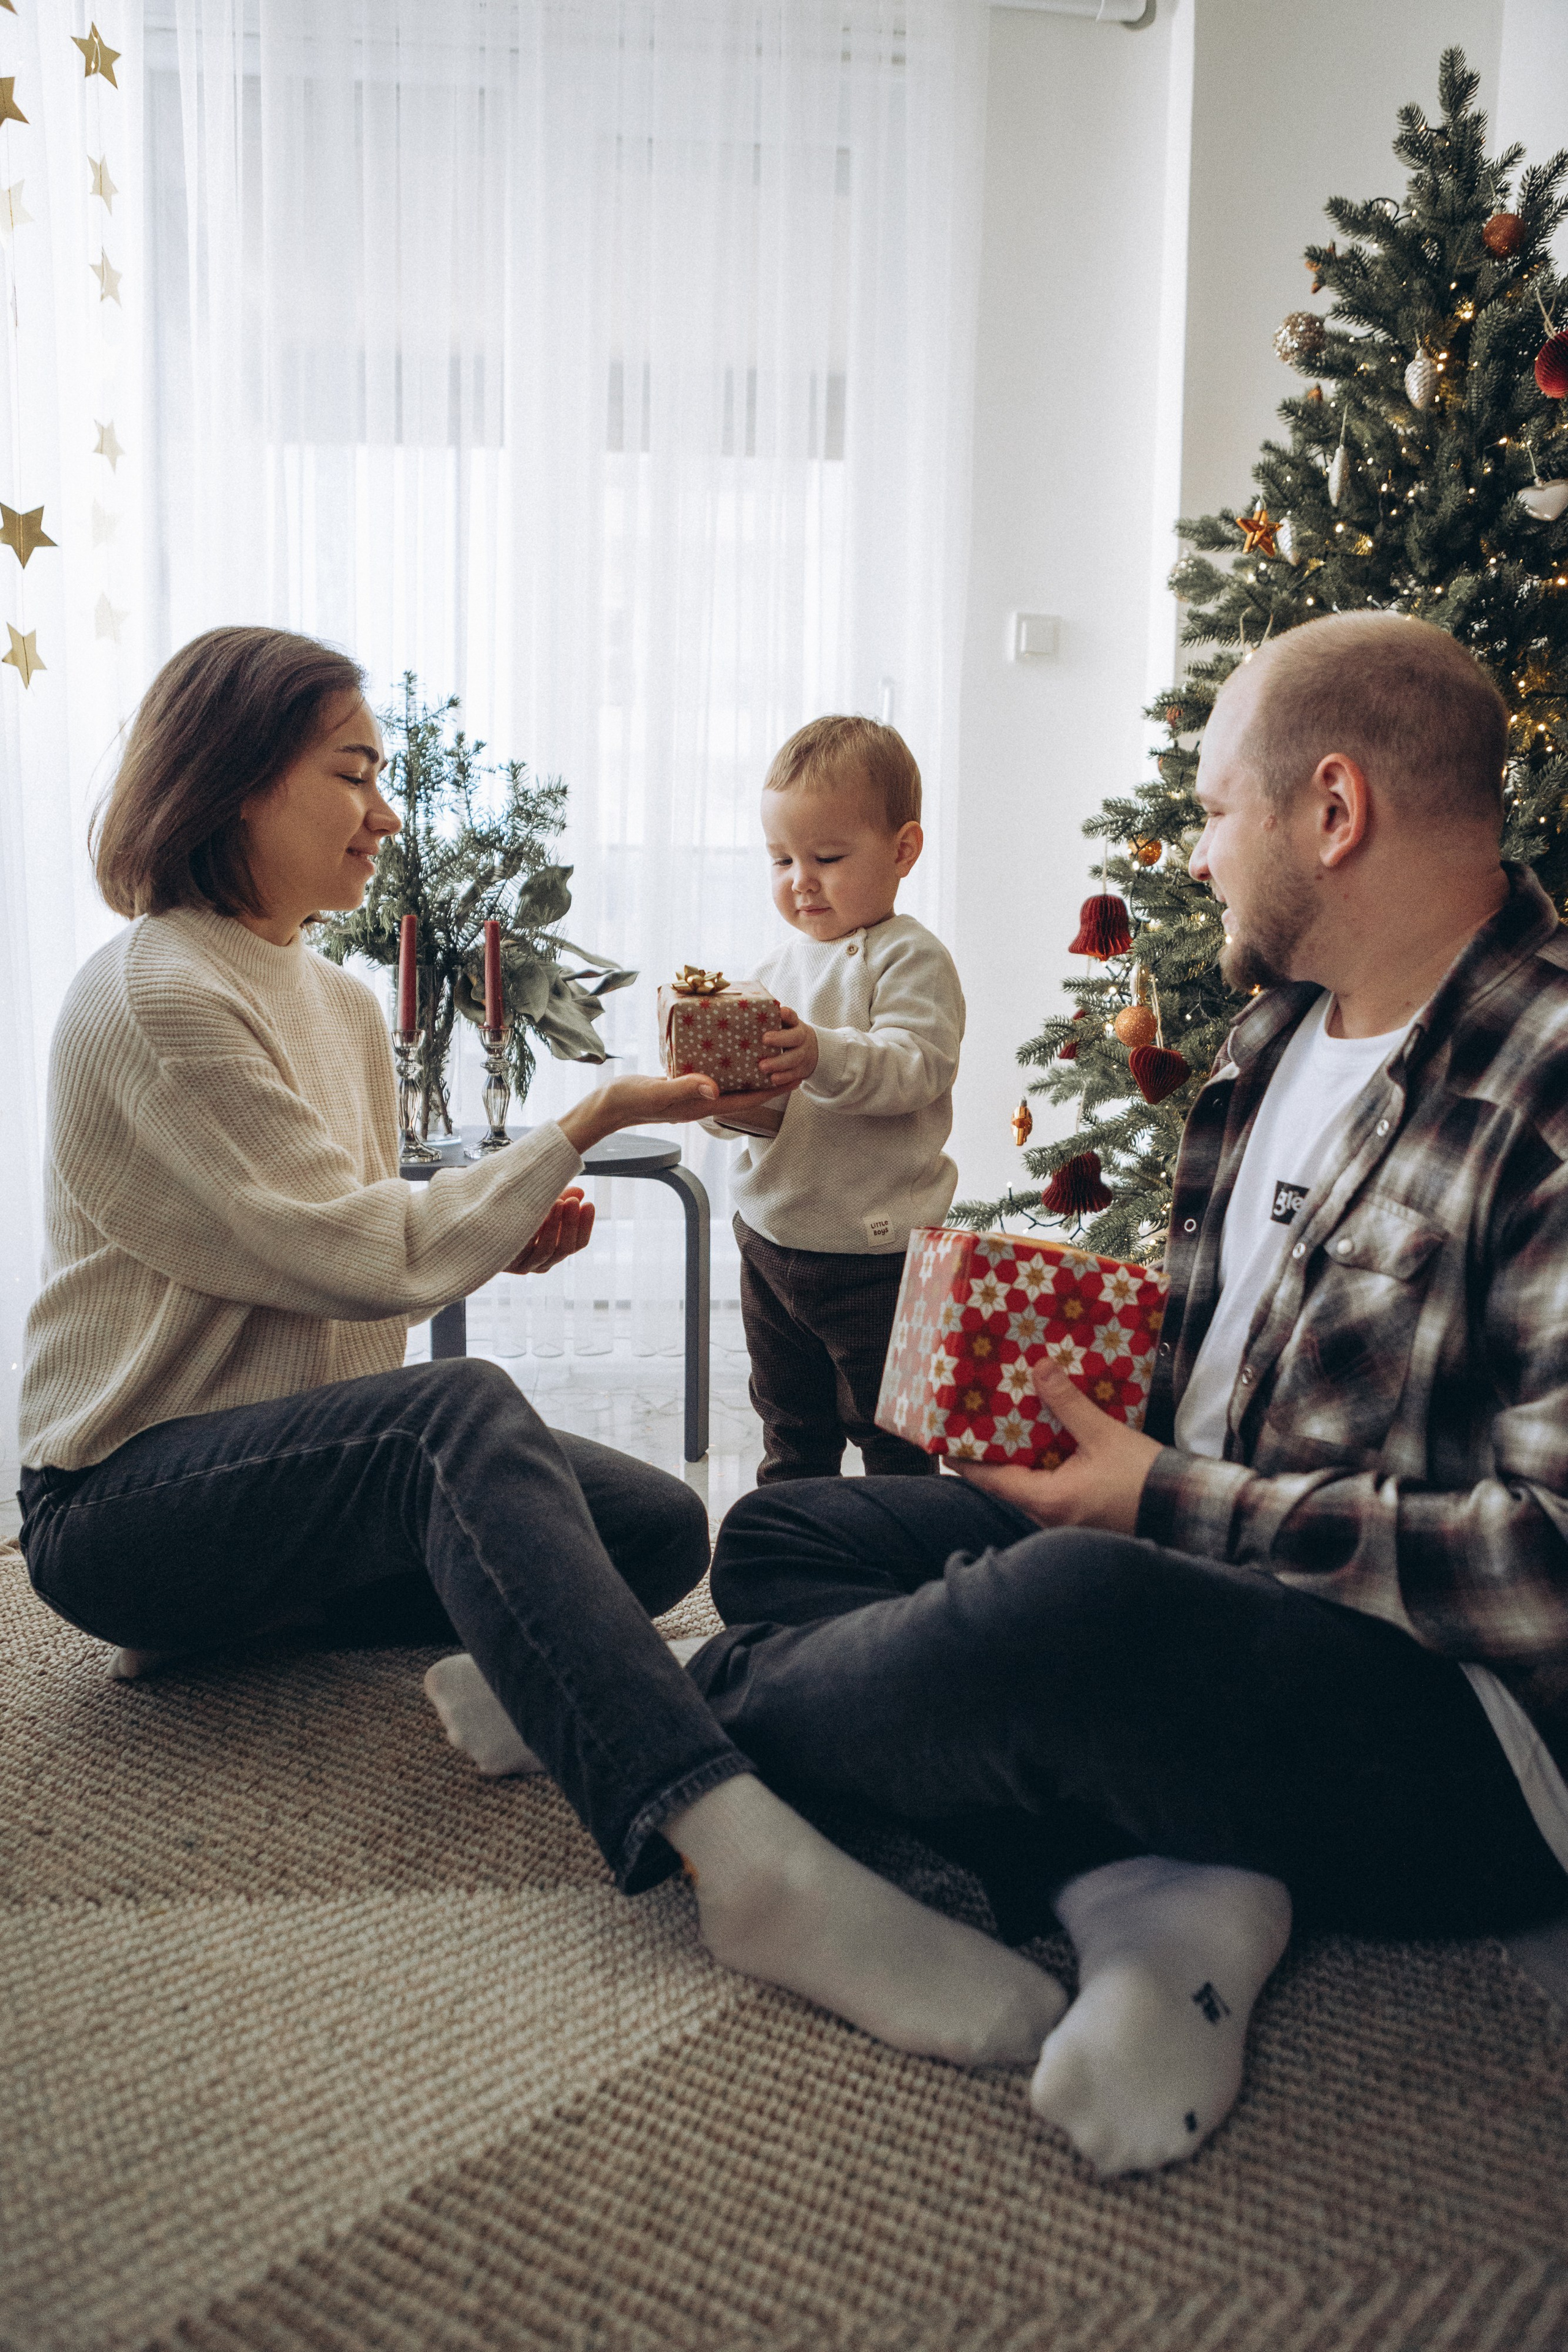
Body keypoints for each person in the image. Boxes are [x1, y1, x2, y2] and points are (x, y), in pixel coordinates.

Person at [15, 625, 1071, 2068]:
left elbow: (339, 1229)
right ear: (237, 780)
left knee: (651, 1530)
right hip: (118, 1507)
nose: (386, 813)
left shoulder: (330, 993)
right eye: (354, 774)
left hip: (271, 1495)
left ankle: (263, 1625)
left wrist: (498, 1230)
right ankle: (735, 1847)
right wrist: (585, 1119)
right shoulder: (155, 993)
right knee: (449, 1419)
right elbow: (363, 1252)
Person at [676, 611, 1568, 2176]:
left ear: (1331, 809)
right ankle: (1165, 1893)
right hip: (1199, 1567)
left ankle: (671, 1728)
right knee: (784, 1538)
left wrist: (1158, 1499)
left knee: (1059, 1612)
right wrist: (1083, 1430)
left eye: (1214, 806)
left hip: (1462, 1731)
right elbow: (1229, 1370)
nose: (1192, 844)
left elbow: (1547, 1559)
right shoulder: (1271, 1035)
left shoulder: (1546, 1078)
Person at [706, 715, 963, 1480]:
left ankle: (900, 1576)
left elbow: (914, 1067)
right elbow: (771, 1113)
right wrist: (724, 1101)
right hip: (771, 1235)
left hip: (875, 1253)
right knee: (789, 1425)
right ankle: (791, 1562)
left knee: (894, 1434)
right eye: (780, 858)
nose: (799, 880)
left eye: (825, 857)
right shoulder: (775, 967)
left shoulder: (909, 957)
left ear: (902, 850)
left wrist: (818, 1051)